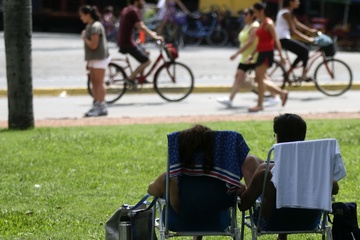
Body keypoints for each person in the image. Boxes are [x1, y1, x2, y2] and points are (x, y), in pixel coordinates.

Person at [238, 113, 342, 240]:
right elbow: (335, 189)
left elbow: (243, 206)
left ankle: (281, 232)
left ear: (278, 137)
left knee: (260, 171)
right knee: (252, 160)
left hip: (274, 222)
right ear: (303, 137)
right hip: (310, 221)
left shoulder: (266, 172)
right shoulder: (315, 170)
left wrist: (241, 190)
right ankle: (282, 237)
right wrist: (323, 175)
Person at [148, 124, 244, 240]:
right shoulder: (222, 176)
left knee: (193, 201)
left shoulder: (172, 176)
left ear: (183, 149)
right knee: (203, 201)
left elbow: (151, 190)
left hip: (179, 222)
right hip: (216, 221)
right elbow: (239, 189)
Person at [248, 2, 289, 112]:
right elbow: (259, 42)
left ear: (261, 11)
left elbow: (276, 40)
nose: (254, 14)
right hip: (261, 53)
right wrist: (252, 54)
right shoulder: (261, 23)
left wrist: (281, 55)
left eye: (255, 12)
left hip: (267, 53)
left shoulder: (269, 23)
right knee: (260, 79)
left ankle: (261, 104)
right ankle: (281, 93)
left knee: (259, 79)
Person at [216, 8, 259, 108]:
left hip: (252, 57)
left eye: (246, 14)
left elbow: (250, 42)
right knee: (239, 77)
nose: (244, 16)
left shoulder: (254, 27)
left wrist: (236, 54)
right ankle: (230, 99)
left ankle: (277, 95)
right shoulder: (247, 26)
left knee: (262, 79)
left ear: (252, 15)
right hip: (245, 57)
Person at [118, 0, 163, 85]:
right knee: (147, 61)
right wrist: (154, 36)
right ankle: (131, 78)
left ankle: (141, 78)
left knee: (146, 53)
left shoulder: (127, 9)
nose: (143, 2)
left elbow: (139, 26)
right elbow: (141, 26)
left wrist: (151, 33)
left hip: (126, 41)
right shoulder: (133, 11)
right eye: (141, 0)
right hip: (127, 43)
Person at [79, 5, 111, 117]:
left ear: (88, 15)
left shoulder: (95, 26)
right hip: (93, 58)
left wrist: (84, 38)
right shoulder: (90, 26)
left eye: (82, 15)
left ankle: (101, 105)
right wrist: (88, 62)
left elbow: (93, 45)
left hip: (99, 58)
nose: (81, 18)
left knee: (99, 82)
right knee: (94, 82)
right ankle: (96, 104)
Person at [275, 0, 318, 81]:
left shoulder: (288, 12)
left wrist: (311, 31)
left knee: (302, 53)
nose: (298, 2)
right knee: (305, 50)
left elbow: (297, 24)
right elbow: (294, 31)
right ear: (290, 2)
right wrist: (308, 39)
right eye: (296, 1)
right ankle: (303, 75)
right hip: (282, 39)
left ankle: (288, 73)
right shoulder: (286, 13)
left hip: (283, 38)